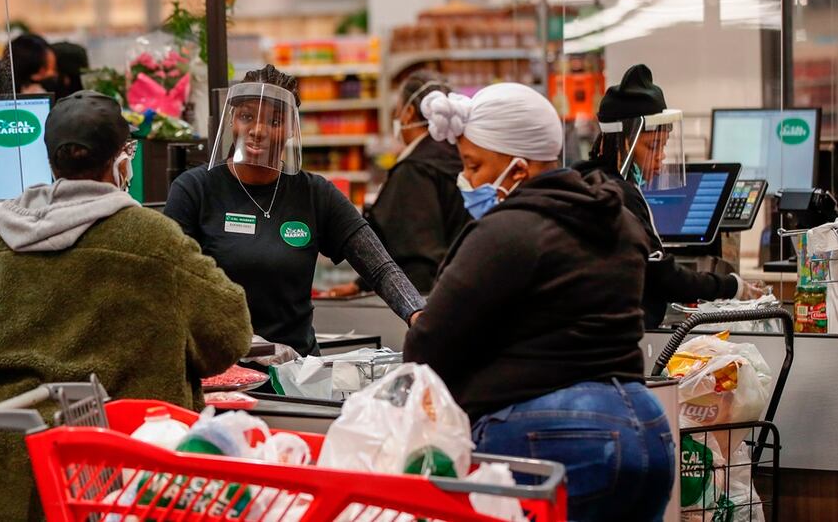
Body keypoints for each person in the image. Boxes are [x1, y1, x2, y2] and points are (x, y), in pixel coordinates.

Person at [0, 90, 252, 521]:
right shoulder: (154, 241)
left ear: (51, 159)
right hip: (100, 463)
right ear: (120, 160)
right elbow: (229, 334)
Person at [404, 83, 674, 522]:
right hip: (649, 429)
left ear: (518, 169)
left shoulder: (506, 232)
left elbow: (428, 347)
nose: (467, 181)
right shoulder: (620, 221)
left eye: (474, 165)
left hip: (551, 440)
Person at [164, 65, 425, 357]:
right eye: (246, 117)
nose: (258, 131)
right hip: (218, 369)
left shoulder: (315, 194)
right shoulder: (195, 189)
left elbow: (379, 267)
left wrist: (417, 313)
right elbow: (166, 279)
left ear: (291, 129)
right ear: (231, 120)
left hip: (294, 371)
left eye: (274, 121)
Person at [575, 64, 765, 328]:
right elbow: (662, 277)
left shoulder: (583, 178)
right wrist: (733, 286)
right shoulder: (617, 195)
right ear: (623, 142)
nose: (661, 157)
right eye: (653, 146)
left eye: (663, 146)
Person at [329, 73, 469, 296]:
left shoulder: (416, 170)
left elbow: (416, 257)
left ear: (409, 114)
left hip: (427, 300)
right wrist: (361, 285)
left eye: (397, 109)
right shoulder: (460, 157)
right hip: (461, 288)